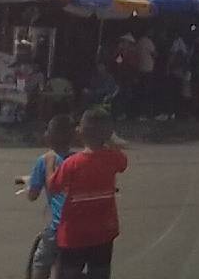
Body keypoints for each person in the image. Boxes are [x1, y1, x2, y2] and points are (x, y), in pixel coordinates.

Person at [48, 108, 128, 279]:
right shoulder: (113, 158)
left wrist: (49, 163)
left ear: (80, 132)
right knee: (100, 272)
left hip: (74, 235)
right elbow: (123, 163)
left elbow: (53, 187)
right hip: (104, 231)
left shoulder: (71, 163)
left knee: (69, 273)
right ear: (109, 133)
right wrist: (110, 140)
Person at [24, 115, 74, 279]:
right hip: (80, 225)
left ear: (49, 136)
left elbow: (32, 195)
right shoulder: (77, 160)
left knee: (41, 260)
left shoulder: (45, 160)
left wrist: (29, 184)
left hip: (58, 226)